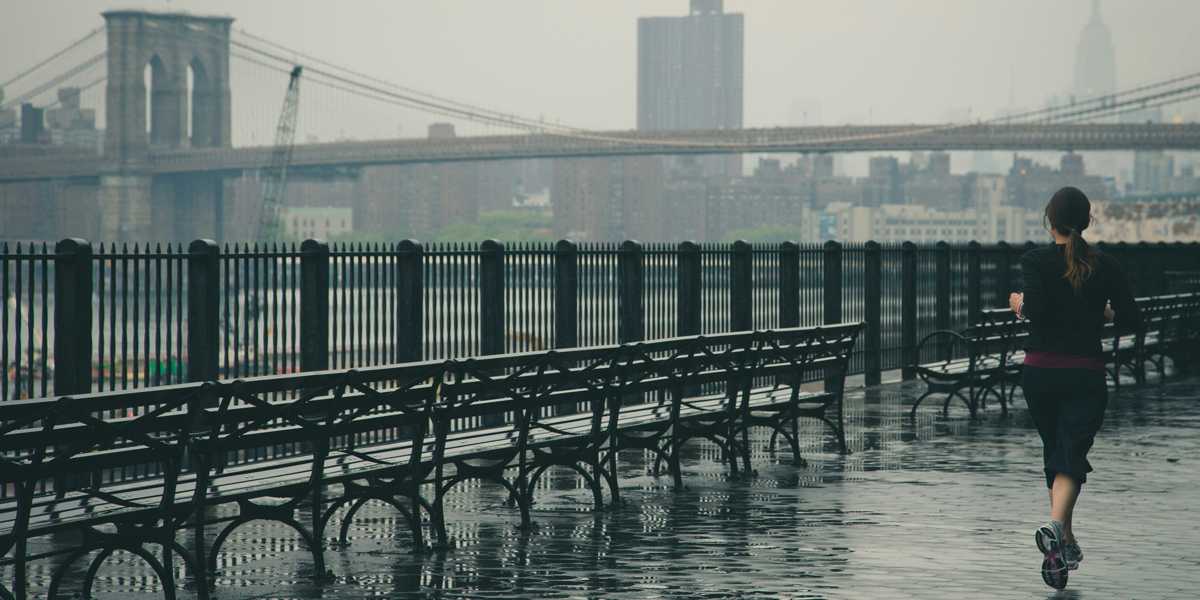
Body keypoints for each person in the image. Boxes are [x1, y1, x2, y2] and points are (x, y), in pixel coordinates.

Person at [1007, 186, 1142, 590]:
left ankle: (1063, 540)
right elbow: (1131, 320)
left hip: (1040, 372)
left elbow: (1041, 309)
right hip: (1084, 373)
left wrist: (1019, 305)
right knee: (1071, 453)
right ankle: (1057, 531)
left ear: (1050, 221)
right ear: (1086, 221)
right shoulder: (1106, 265)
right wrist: (1102, 311)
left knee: (1058, 453)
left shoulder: (1034, 260)